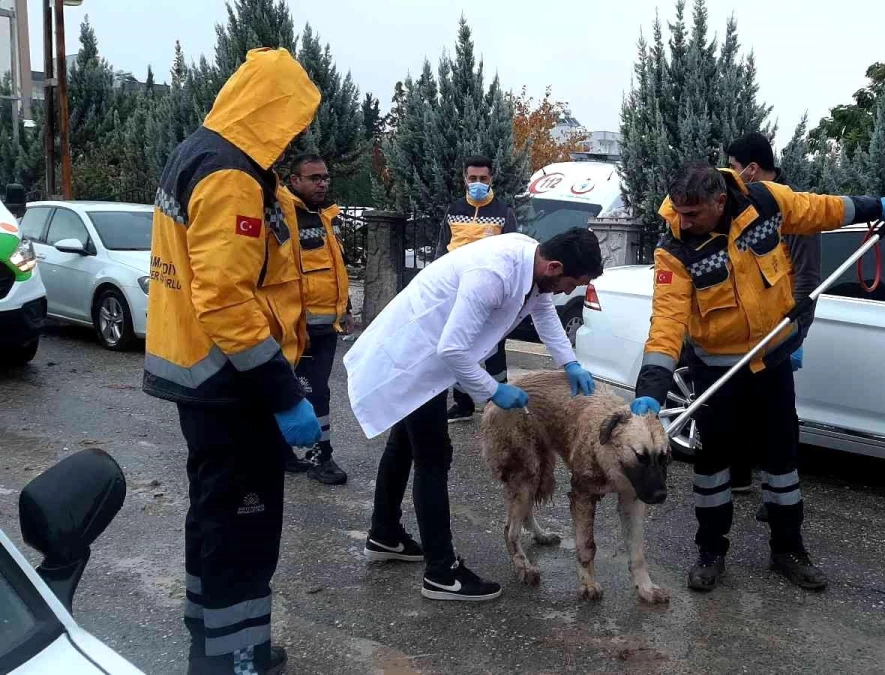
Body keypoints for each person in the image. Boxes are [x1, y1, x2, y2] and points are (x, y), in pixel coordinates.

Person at [629, 164, 885, 593]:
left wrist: (872, 208)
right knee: (713, 464)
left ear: (720, 202)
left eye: (693, 213)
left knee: (781, 459)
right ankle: (711, 551)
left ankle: (787, 549)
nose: (684, 221)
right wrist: (651, 389)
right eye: (679, 212)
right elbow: (666, 321)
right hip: (717, 368)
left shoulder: (766, 202)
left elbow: (820, 210)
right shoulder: (675, 250)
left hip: (772, 360)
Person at [142, 48, 321, 674]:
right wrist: (283, 393)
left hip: (209, 380)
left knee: (215, 523)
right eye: (293, 120)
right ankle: (233, 660)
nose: (296, 135)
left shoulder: (204, 152)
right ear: (272, 109)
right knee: (242, 533)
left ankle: (215, 645)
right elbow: (223, 298)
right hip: (232, 385)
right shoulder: (230, 174)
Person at [345, 227, 603, 601]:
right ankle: (441, 573)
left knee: (403, 445)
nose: (567, 293)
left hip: (426, 359)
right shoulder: (494, 275)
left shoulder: (533, 265)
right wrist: (492, 390)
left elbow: (544, 315)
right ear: (555, 266)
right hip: (415, 359)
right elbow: (452, 349)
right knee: (433, 457)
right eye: (570, 284)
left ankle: (384, 534)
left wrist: (570, 363)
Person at [727, 132, 820, 522]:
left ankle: (778, 496)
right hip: (748, 329)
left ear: (751, 169)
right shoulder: (742, 205)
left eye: (732, 168)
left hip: (781, 329)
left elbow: (807, 278)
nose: (729, 175)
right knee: (741, 406)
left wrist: (793, 332)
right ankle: (740, 474)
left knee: (777, 416)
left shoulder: (790, 209)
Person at [279, 153, 352, 485]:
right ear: (294, 181)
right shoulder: (286, 218)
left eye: (325, 177)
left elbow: (332, 269)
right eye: (314, 178)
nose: (322, 183)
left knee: (298, 388)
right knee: (314, 391)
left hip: (325, 325)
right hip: (301, 327)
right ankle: (320, 454)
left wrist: (346, 309)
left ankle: (280, 449)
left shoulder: (323, 216)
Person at [434, 155, 521, 423]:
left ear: (491, 179)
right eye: (473, 179)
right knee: (461, 347)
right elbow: (442, 249)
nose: (478, 183)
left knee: (494, 348)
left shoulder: (504, 212)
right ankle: (463, 403)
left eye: (483, 179)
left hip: (491, 294)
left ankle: (501, 405)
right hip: (456, 291)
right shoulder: (453, 209)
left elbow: (513, 254)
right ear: (464, 179)